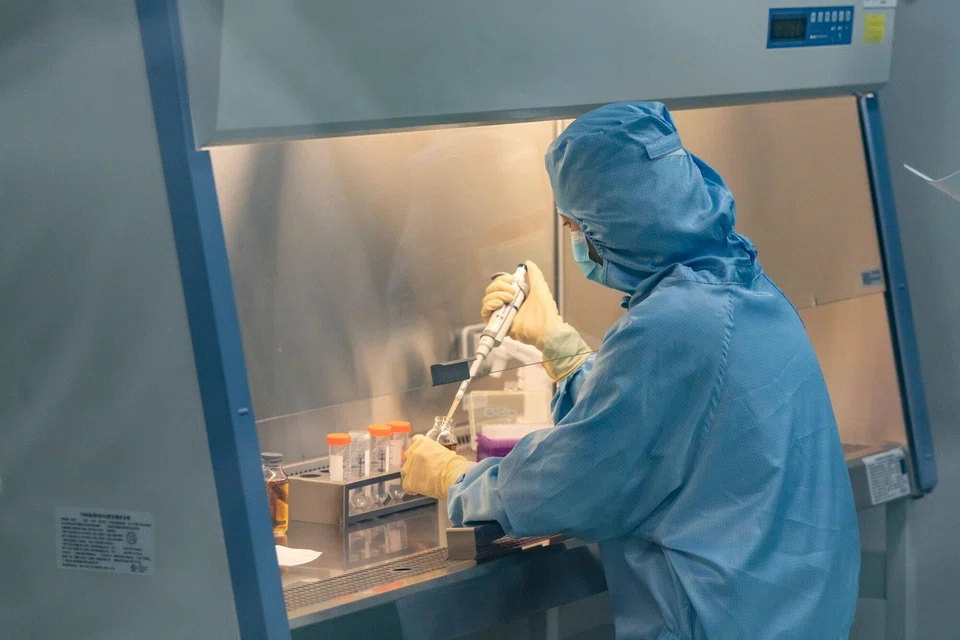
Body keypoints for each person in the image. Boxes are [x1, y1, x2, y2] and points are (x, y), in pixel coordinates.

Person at [402, 102, 860, 639]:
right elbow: (656, 425)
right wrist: (561, 347)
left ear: (612, 227)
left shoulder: (674, 323)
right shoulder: (742, 285)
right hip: (789, 613)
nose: (575, 239)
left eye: (573, 226)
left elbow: (577, 483)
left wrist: (458, 482)